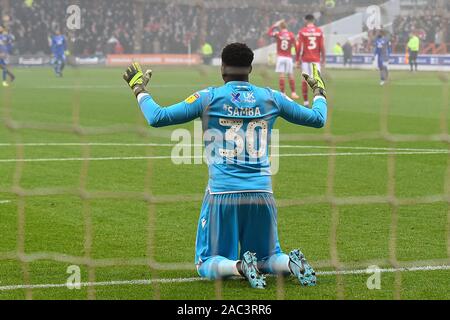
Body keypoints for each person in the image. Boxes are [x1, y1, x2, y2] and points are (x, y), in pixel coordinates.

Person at [123, 43, 328, 289]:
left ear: (222, 68)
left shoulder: (208, 97)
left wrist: (139, 89)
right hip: (262, 192)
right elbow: (318, 119)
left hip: (223, 194)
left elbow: (157, 117)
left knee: (206, 261)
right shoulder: (271, 97)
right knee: (267, 257)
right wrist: (319, 91)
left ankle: (239, 267)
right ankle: (289, 263)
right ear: (250, 68)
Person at [296, 14, 325, 107]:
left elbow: (299, 47)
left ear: (306, 20)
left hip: (305, 59)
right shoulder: (319, 31)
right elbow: (322, 46)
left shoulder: (302, 31)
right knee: (318, 81)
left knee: (305, 80)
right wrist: (323, 59)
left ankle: (306, 103)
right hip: (316, 59)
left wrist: (297, 59)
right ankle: (316, 100)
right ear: (313, 20)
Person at [267, 20, 299, 99]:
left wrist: (275, 25)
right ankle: (293, 93)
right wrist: (297, 58)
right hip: (288, 57)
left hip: (280, 57)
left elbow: (269, 33)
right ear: (286, 26)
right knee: (290, 75)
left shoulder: (278, 34)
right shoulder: (291, 35)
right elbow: (296, 46)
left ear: (280, 27)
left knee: (282, 76)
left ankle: (283, 93)